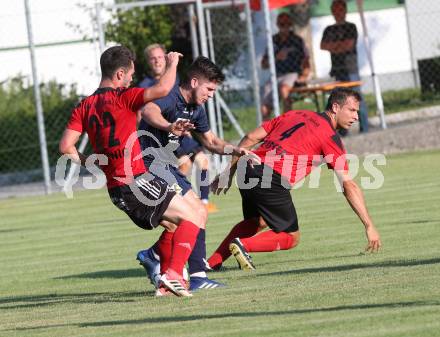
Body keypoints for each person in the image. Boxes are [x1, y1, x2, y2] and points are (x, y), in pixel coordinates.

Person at [59, 45, 202, 297]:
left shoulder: (85, 105)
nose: (132, 79)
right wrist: (172, 63)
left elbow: (65, 147)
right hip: (135, 181)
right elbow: (163, 89)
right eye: (130, 74)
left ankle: (165, 285)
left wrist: (92, 162)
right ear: (119, 75)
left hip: (117, 189)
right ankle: (173, 275)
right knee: (193, 217)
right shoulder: (123, 97)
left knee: (171, 226)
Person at [208, 87, 381, 271]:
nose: (356, 116)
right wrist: (369, 225)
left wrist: (229, 172)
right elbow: (348, 184)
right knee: (291, 237)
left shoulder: (296, 114)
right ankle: (244, 246)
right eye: (352, 110)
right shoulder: (329, 136)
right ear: (336, 107)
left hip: (247, 168)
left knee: (258, 221)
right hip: (270, 177)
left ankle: (211, 263)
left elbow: (250, 137)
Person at [137, 56, 259, 291]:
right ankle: (190, 275)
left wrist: (237, 150)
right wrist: (168, 126)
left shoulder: (196, 109)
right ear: (194, 82)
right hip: (146, 165)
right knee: (194, 213)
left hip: (165, 167)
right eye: (209, 88)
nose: (211, 94)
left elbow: (211, 141)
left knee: (190, 216)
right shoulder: (170, 96)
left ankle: (158, 259)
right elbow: (149, 111)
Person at [138, 43, 217, 213]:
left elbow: (183, 102)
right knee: (185, 165)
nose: (157, 61)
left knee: (202, 160)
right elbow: (144, 111)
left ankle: (203, 201)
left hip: (180, 132)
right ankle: (178, 196)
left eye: (160, 57)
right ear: (148, 62)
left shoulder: (174, 78)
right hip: (161, 135)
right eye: (153, 58)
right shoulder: (146, 84)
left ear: (166, 57)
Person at [320, 0, 369, 134]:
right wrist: (338, 46)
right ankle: (340, 131)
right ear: (332, 12)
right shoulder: (329, 29)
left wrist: (334, 46)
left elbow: (349, 45)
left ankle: (364, 128)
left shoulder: (350, 27)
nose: (338, 13)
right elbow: (323, 45)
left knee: (356, 98)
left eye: (340, 9)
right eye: (335, 10)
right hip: (337, 69)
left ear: (345, 11)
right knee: (338, 101)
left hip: (350, 68)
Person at [261, 12, 310, 120]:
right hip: (276, 74)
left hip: (292, 73)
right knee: (264, 106)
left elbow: (306, 60)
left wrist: (304, 75)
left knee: (284, 89)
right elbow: (263, 64)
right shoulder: (273, 41)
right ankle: (266, 133)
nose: (285, 26)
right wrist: (276, 58)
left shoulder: (297, 40)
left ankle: (286, 123)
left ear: (291, 24)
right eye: (282, 24)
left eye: (287, 24)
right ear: (278, 25)